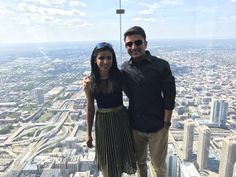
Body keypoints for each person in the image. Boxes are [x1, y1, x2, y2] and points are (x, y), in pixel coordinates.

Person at [121, 26, 176, 177]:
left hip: (158, 126)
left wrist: (166, 125)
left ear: (146, 43)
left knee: (158, 166)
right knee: (140, 164)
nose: (133, 47)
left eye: (138, 42)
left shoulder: (161, 65)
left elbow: (170, 97)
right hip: (135, 126)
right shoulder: (125, 68)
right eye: (129, 44)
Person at [83, 42, 137, 177]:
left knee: (121, 155)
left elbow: (133, 97)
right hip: (103, 123)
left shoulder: (119, 77)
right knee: (108, 159)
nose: (106, 61)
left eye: (109, 57)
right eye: (101, 58)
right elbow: (90, 108)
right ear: (95, 59)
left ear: (113, 59)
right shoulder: (90, 82)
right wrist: (88, 133)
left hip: (121, 120)